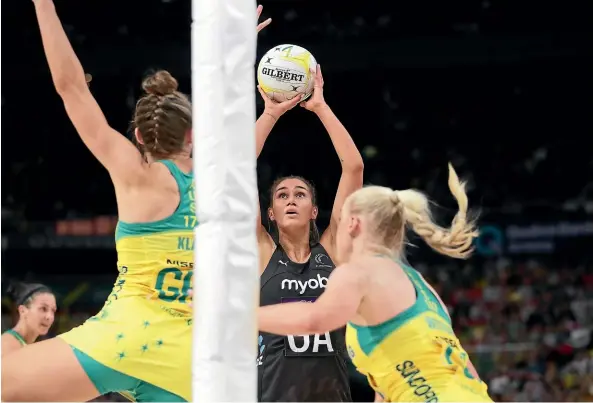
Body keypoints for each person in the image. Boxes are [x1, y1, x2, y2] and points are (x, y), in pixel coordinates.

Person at [1, 1, 269, 402]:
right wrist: (243, 59)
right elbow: (240, 139)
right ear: (195, 136)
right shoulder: (220, 175)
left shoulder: (137, 174)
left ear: (140, 137)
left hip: (128, 337)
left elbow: (70, 86)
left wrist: (43, 5)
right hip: (188, 355)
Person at [258, 164, 494, 403]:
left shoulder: (357, 273)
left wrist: (242, 317)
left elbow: (314, 319)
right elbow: (393, 383)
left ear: (352, 224)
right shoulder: (417, 282)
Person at [255, 64, 364, 401]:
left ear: (314, 210)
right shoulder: (260, 251)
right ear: (270, 213)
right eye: (282, 195)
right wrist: (270, 114)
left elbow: (354, 167)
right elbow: (237, 168)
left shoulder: (331, 250)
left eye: (300, 194)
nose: (291, 200)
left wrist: (320, 107)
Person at [1, 282, 57, 357]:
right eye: (43, 309)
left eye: (53, 310)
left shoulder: (28, 345)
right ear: (23, 311)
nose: (49, 317)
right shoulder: (7, 344)